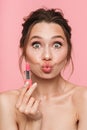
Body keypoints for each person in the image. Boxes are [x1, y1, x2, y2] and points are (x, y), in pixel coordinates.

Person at [0, 7, 87, 130]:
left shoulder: (83, 99)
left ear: (68, 51)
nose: (47, 56)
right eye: (36, 45)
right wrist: (33, 124)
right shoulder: (6, 104)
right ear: (23, 50)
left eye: (57, 45)